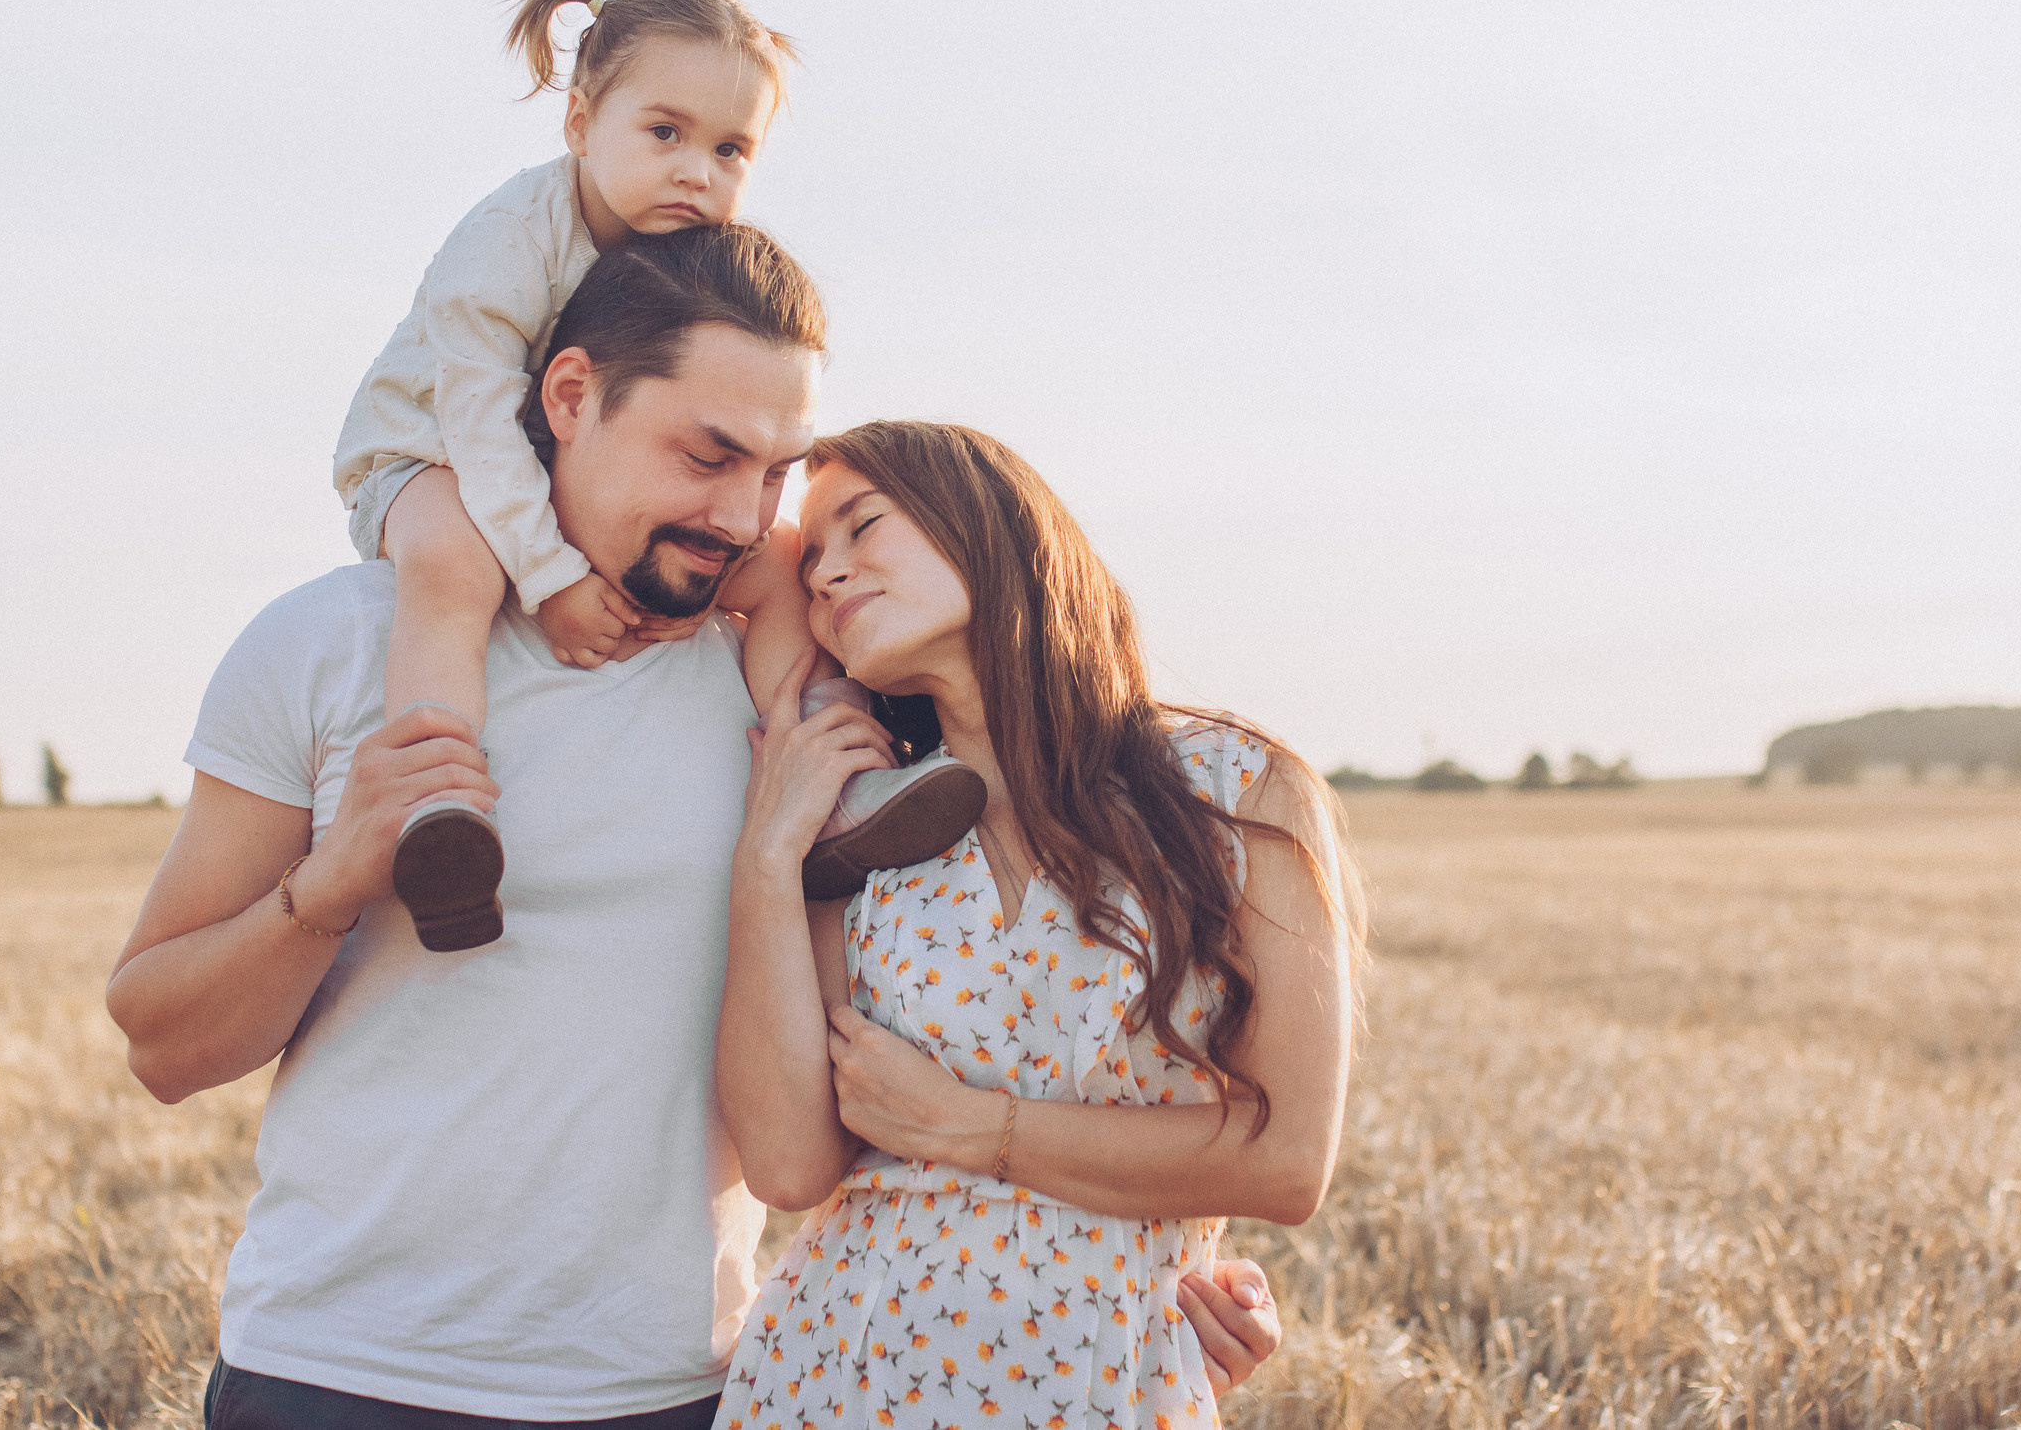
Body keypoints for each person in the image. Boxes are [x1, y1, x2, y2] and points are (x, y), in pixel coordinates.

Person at [106, 231, 1282, 1429]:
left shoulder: (813, 690)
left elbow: (988, 1009)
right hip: (339, 1374)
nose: (743, 517)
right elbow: (163, 1046)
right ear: (570, 397)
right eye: (706, 456)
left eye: (773, 475)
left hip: (675, 1389)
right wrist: (331, 883)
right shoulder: (337, 646)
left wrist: (1149, 1282)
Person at [715, 421, 1364, 1430]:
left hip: (1104, 1380)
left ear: (990, 523)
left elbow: (1282, 1164)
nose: (828, 575)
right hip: (838, 1375)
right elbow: (793, 1167)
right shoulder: (871, 834)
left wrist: (968, 1127)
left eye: (861, 527)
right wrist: (767, 856)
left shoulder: (1236, 791)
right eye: (812, 569)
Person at [330, 0, 978, 953]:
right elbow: (473, 414)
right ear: (580, 123)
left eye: (730, 149)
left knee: (781, 559)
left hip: (551, 456)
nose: (695, 172)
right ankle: (438, 810)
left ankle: (836, 778)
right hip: (428, 451)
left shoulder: (685, 253)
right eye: (664, 133)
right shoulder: (506, 246)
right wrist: (551, 576)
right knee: (455, 565)